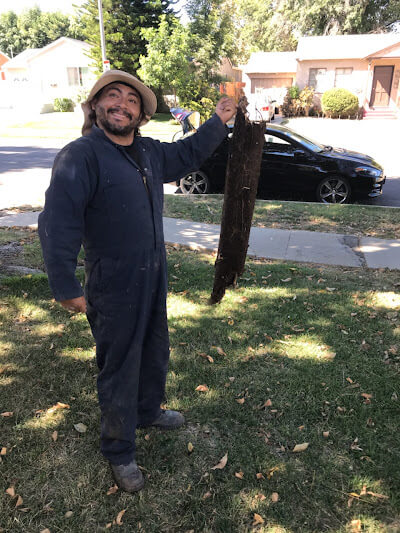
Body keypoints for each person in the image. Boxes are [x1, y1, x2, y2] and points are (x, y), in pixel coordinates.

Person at [38, 70, 236, 493]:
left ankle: (148, 411)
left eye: (132, 100)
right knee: (120, 367)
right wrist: (65, 285)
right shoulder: (82, 155)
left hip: (153, 274)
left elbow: (188, 153)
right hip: (112, 283)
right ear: (95, 106)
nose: (122, 104)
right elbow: (58, 221)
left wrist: (219, 120)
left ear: (141, 114)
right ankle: (119, 449)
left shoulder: (147, 151)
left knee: (154, 350)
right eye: (113, 96)